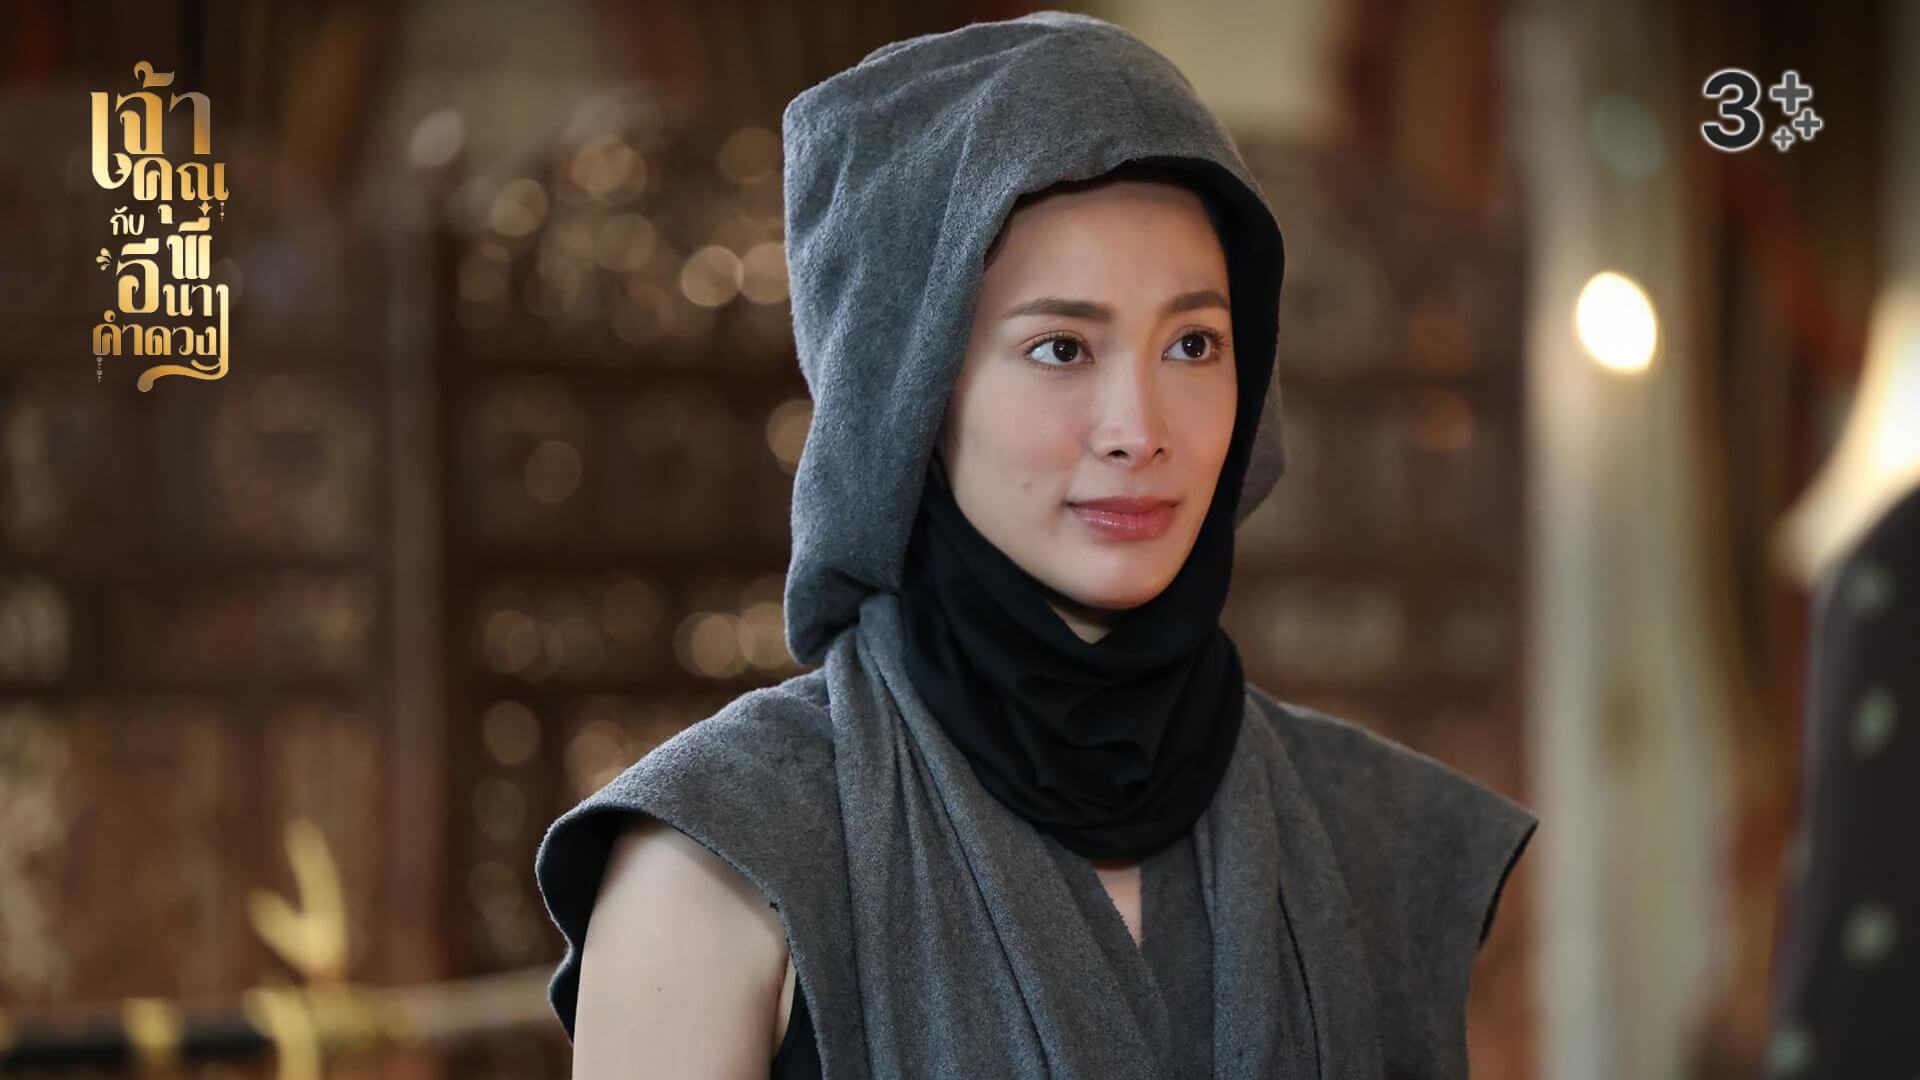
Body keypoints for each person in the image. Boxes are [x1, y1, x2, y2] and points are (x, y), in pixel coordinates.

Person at [533, 12, 1537, 1079]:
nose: (1138, 428)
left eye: (1194, 343)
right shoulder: (714, 868)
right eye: (1061, 347)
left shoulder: (1376, 839)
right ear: (911, 392)